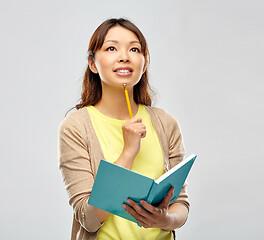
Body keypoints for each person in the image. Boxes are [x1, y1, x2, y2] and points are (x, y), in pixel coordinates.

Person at [59, 18, 189, 240]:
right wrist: (128, 153)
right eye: (111, 48)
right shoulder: (76, 127)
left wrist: (164, 219)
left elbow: (181, 204)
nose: (124, 56)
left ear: (144, 63)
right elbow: (88, 218)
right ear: (92, 63)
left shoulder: (166, 123)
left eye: (134, 49)